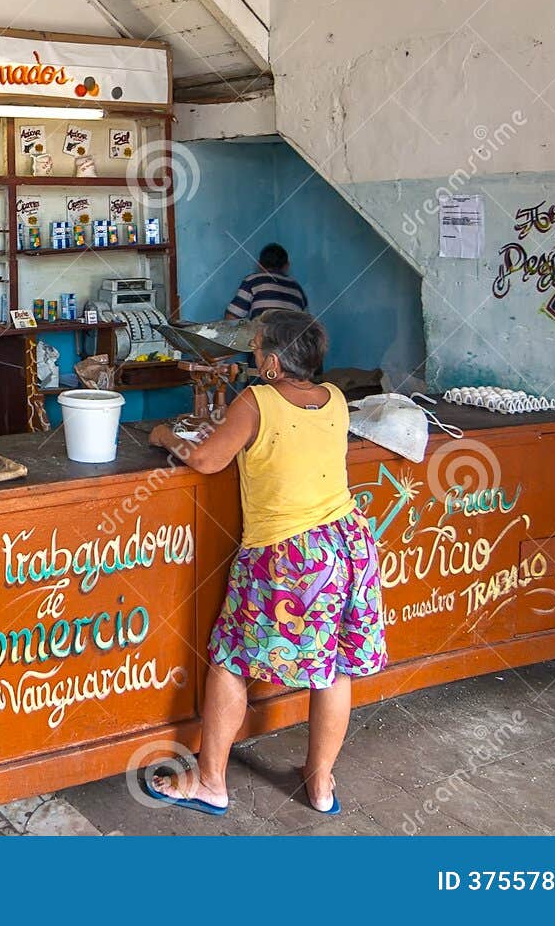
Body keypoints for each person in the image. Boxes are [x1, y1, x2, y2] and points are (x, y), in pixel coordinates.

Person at [144, 308, 386, 817]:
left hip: (289, 553)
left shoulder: (257, 400)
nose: (252, 355)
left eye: (256, 348)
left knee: (231, 660)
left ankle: (210, 783)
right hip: (349, 544)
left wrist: (165, 436)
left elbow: (207, 459)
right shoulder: (335, 398)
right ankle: (320, 787)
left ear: (273, 363)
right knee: (336, 667)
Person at [226, 243, 307, 318]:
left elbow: (232, 318)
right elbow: (305, 322)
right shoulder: (298, 289)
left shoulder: (252, 280)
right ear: (287, 265)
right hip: (292, 329)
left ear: (259, 264)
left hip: (264, 328)